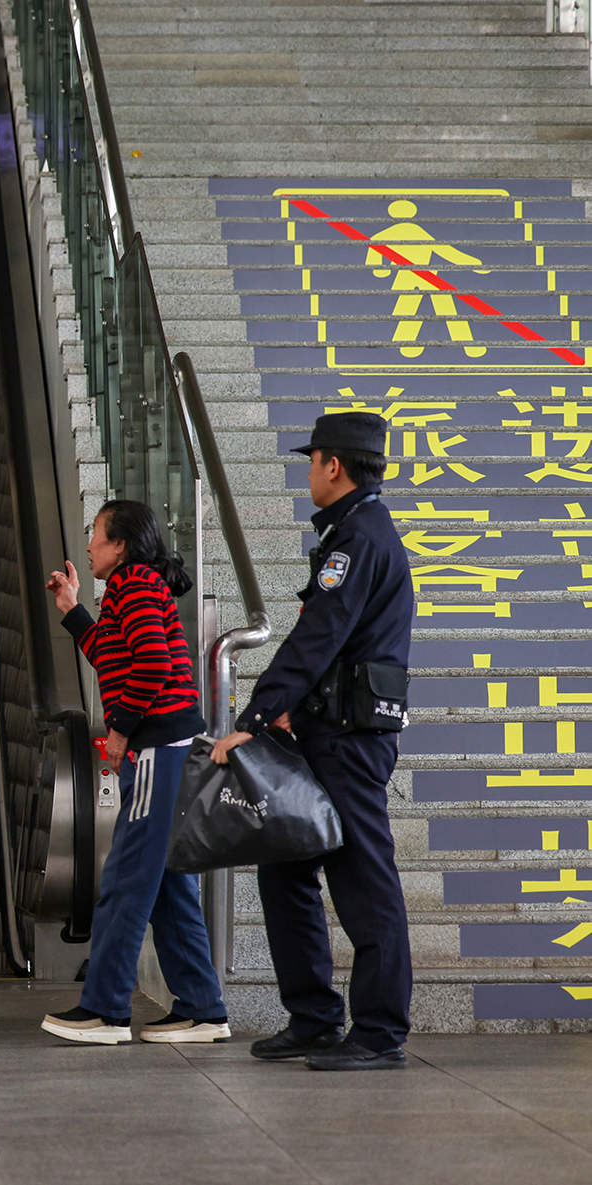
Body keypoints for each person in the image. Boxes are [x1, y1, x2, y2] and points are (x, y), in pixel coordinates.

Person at [210, 411, 414, 1071]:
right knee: (286, 867)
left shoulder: (359, 539)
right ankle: (315, 1018)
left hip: (350, 740)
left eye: (313, 461)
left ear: (334, 464)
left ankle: (379, 1031)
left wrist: (256, 715)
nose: (308, 475)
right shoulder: (352, 531)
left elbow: (318, 635)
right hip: (326, 728)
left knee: (364, 880)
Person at [40, 501, 226, 1046]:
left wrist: (120, 729)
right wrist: (73, 608)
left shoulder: (134, 583)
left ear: (120, 545)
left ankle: (105, 1010)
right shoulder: (135, 586)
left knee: (125, 879)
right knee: (167, 886)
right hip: (167, 745)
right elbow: (113, 657)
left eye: (96, 534)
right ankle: (203, 1008)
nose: (89, 544)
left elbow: (152, 665)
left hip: (156, 748)